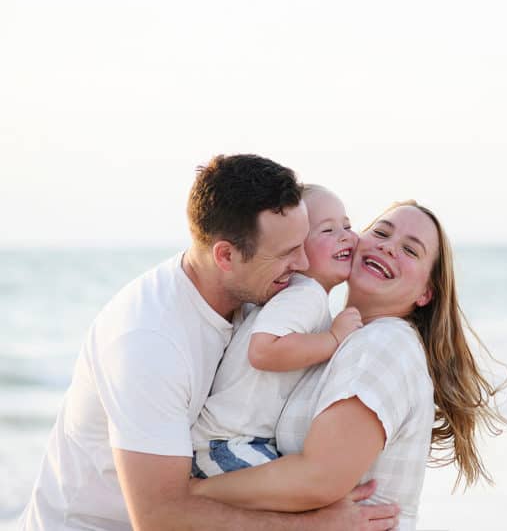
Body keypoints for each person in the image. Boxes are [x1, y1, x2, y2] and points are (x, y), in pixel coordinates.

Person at [21, 155, 399, 531]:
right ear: (226, 256)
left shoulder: (255, 290)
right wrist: (317, 526)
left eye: (303, 243)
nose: (303, 263)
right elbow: (159, 517)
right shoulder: (149, 342)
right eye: (287, 253)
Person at [189, 201, 507, 530]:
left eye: (410, 251)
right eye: (381, 233)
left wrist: (191, 492)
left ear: (426, 293)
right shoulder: (333, 339)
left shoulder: (383, 344)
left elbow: (319, 478)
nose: (388, 247)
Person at [191, 184, 362, 477]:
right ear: (296, 247)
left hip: (241, 442)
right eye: (328, 230)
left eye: (347, 225)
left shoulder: (296, 295)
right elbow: (263, 350)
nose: (346, 236)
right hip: (226, 443)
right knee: (298, 502)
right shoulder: (304, 295)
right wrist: (334, 339)